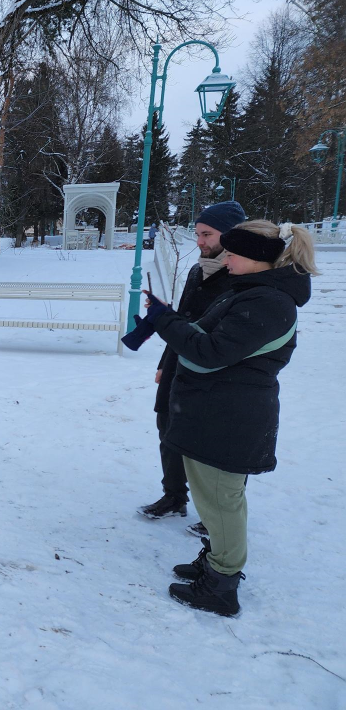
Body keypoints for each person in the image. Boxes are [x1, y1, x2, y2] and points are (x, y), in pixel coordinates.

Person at [137, 220, 317, 616]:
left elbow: (209, 351)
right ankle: (217, 559)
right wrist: (174, 322)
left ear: (256, 259)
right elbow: (202, 335)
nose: (227, 259)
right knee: (214, 499)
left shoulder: (268, 302)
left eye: (233, 254)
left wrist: (166, 321)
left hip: (229, 420)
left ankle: (220, 585)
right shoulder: (252, 292)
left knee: (221, 502)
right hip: (216, 414)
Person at [138, 201, 246, 536]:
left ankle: (215, 513)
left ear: (230, 235)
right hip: (179, 364)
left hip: (215, 373)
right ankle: (174, 497)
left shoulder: (242, 276)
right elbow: (185, 320)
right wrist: (164, 363)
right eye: (198, 233)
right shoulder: (199, 270)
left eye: (207, 234)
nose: (199, 241)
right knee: (168, 429)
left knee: (211, 444)